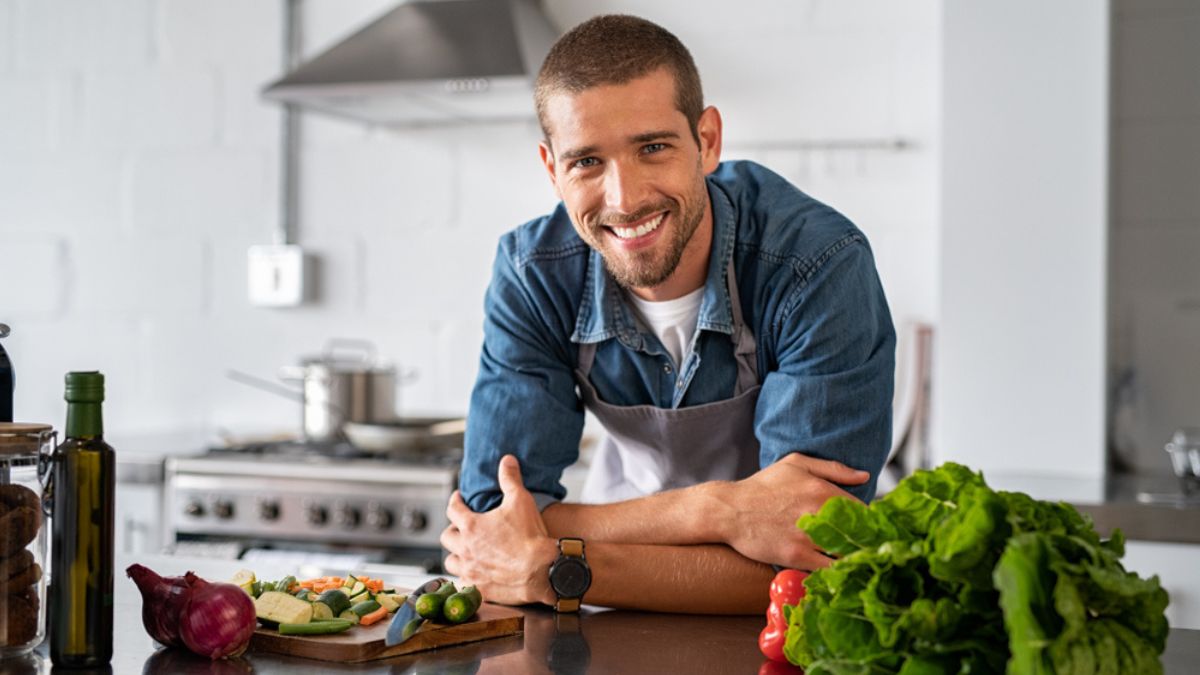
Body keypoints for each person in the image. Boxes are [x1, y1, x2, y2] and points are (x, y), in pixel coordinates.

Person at [440, 14, 895, 614]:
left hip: (786, 630)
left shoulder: (815, 263)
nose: (624, 199)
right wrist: (719, 510)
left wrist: (561, 566)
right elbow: (495, 523)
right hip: (608, 613)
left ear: (707, 141)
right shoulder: (535, 274)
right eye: (587, 162)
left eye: (652, 148)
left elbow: (809, 555)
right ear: (552, 169)